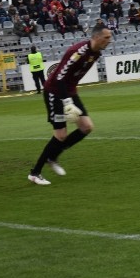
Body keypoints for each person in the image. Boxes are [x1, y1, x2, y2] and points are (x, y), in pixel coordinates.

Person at [27, 22, 113, 186]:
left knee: (86, 127)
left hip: (70, 91)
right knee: (60, 135)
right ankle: (35, 173)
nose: (109, 40)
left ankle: (53, 156)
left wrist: (69, 97)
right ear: (96, 37)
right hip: (54, 91)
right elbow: (59, 77)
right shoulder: (77, 52)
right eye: (106, 37)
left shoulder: (96, 54)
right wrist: (67, 102)